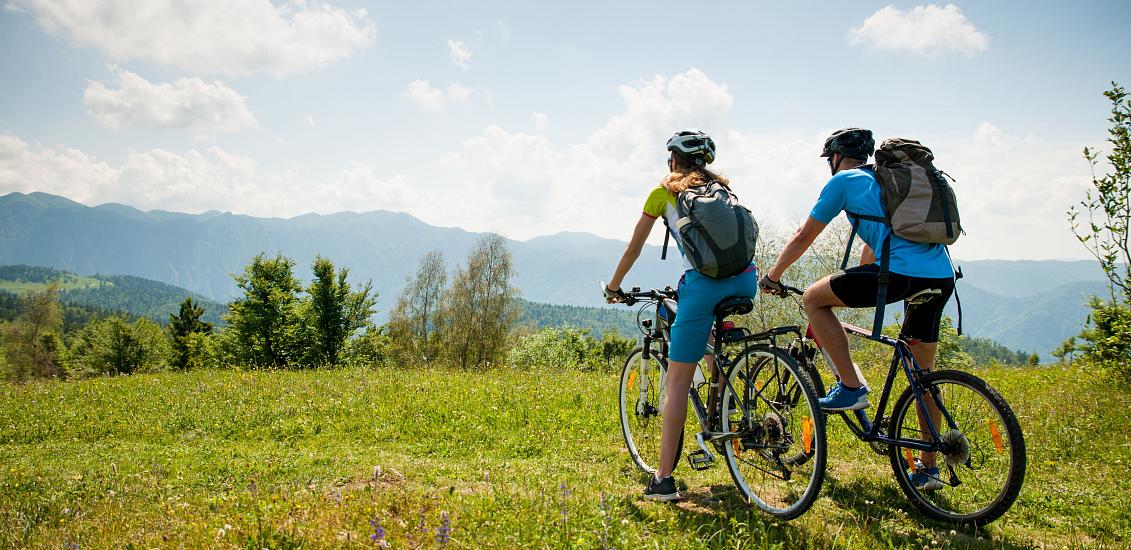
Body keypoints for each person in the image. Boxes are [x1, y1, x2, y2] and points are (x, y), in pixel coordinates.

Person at [758, 127, 956, 491]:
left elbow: (804, 235)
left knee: (813, 299)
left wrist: (773, 275)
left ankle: (851, 386)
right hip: (942, 277)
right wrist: (862, 275)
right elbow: (877, 243)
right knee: (923, 372)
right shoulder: (885, 181)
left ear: (835, 157)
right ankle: (929, 467)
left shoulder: (844, 182)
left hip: (900, 274)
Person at [605, 130, 758, 501]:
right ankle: (723, 395)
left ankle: (663, 480)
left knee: (676, 384)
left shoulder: (663, 194)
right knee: (710, 338)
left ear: (673, 160)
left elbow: (634, 247)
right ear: (704, 161)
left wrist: (614, 287)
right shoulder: (722, 189)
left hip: (704, 286)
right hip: (746, 282)